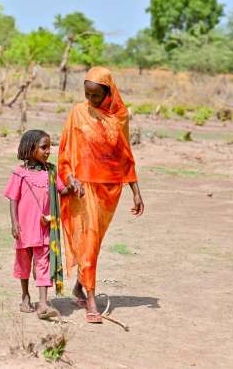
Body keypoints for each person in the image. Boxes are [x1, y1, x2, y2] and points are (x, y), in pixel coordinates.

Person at [59, 67, 145, 323]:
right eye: (87, 94)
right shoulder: (77, 112)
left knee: (92, 243)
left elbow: (125, 155)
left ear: (108, 92)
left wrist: (136, 192)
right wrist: (69, 177)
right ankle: (91, 299)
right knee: (89, 238)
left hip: (110, 188)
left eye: (96, 96)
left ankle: (78, 286)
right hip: (83, 188)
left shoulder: (120, 117)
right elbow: (65, 151)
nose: (91, 100)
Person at [4, 129, 70, 319]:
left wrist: (74, 186)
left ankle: (42, 303)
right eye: (43, 147)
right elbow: (13, 199)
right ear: (30, 148)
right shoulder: (20, 173)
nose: (48, 151)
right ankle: (25, 296)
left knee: (43, 264)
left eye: (49, 147)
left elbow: (63, 191)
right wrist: (14, 223)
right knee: (24, 263)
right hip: (24, 229)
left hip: (44, 229)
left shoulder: (50, 172)